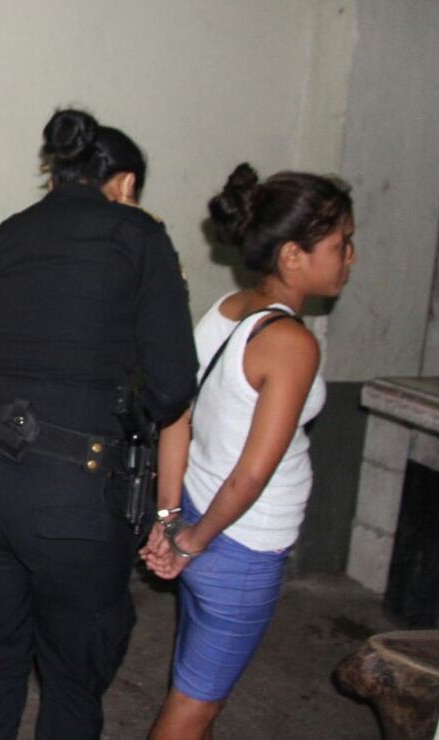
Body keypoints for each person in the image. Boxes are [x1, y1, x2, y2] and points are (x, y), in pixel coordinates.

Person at [0, 109, 198, 739]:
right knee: (73, 683)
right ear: (126, 184)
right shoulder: (138, 238)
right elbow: (172, 387)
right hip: (77, 498)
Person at [141, 163, 356, 740]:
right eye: (341, 244)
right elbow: (253, 475)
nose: (350, 257)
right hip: (239, 541)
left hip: (198, 510)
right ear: (292, 255)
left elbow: (177, 416)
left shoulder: (230, 308)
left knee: (192, 681)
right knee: (194, 708)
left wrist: (170, 518)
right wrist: (189, 542)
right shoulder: (291, 343)